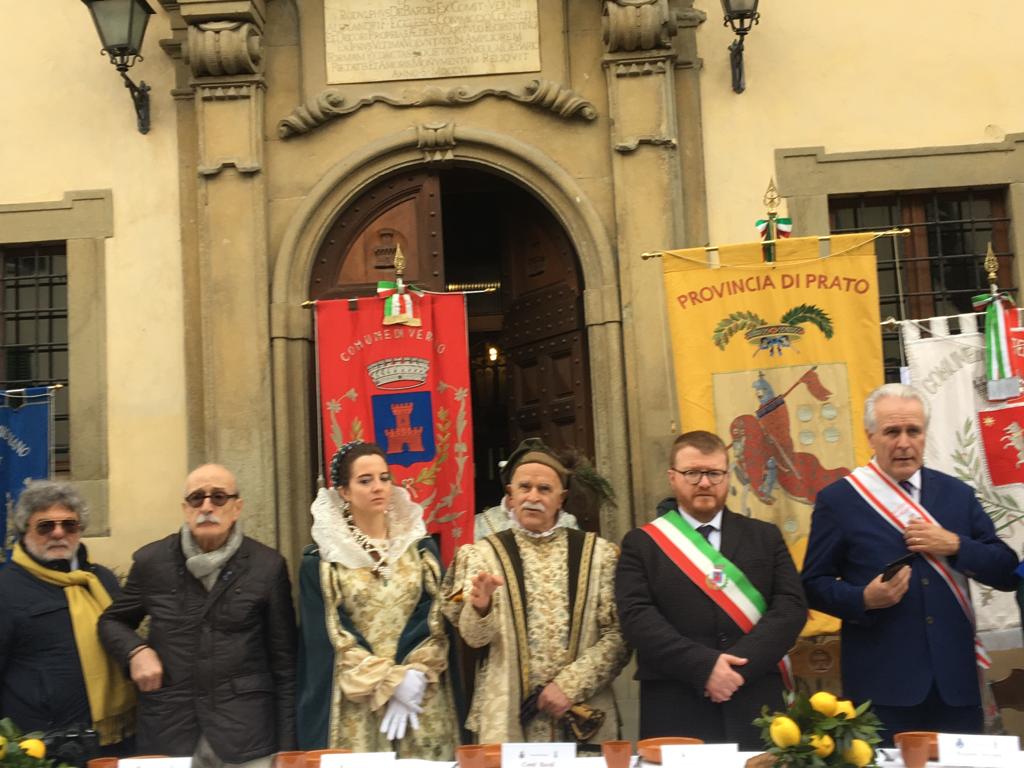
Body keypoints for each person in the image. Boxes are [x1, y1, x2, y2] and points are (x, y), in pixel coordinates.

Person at [802, 384, 1019, 741]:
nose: (904, 442)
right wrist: (863, 599)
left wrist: (954, 544)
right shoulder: (839, 500)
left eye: (913, 431)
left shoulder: (956, 495)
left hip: (955, 684)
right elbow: (812, 584)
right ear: (870, 435)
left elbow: (1006, 570)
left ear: (924, 434)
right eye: (892, 432)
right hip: (882, 686)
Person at [615, 430, 806, 749]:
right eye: (692, 473)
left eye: (714, 473)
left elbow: (790, 608)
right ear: (672, 478)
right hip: (675, 703)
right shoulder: (642, 544)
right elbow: (637, 619)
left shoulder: (765, 537)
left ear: (727, 476)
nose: (704, 483)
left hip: (754, 698)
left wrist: (735, 669)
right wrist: (704, 667)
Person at [99, 464, 297, 768]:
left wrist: (288, 751)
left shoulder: (267, 566)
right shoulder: (152, 562)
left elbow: (285, 665)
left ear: (237, 507)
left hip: (246, 735)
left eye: (218, 497)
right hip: (171, 731)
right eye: (197, 498)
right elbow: (112, 621)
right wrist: (135, 651)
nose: (207, 506)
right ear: (184, 508)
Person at [442, 442, 629, 745]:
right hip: (507, 716)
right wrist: (481, 609)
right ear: (510, 495)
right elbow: (473, 639)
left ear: (561, 499)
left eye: (544, 489)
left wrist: (569, 686)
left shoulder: (600, 555)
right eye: (524, 487)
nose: (533, 497)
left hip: (581, 711)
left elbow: (620, 636)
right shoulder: (481, 555)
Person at [297, 441, 457, 758]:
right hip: (359, 697)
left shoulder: (419, 548)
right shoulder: (324, 560)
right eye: (365, 480)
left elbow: (437, 615)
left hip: (419, 691)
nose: (378, 487)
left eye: (384, 478)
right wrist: (388, 681)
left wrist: (413, 676)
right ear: (343, 491)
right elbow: (329, 637)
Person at [0, 481, 135, 755]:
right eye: (45, 526)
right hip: (40, 749)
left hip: (112, 741)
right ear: (25, 531)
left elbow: (126, 637)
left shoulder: (101, 579)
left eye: (69, 525)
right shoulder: (6, 588)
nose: (58, 533)